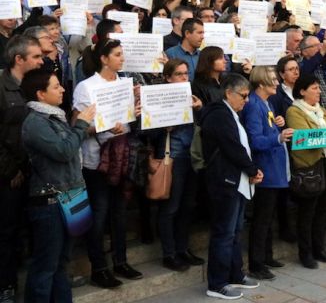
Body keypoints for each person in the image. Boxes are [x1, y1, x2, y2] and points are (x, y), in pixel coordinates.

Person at [72, 38, 142, 289]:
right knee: (100, 214)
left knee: (120, 212)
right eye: (117, 55)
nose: (122, 59)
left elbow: (130, 118)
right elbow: (79, 125)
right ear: (103, 58)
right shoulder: (86, 87)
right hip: (97, 159)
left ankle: (120, 261)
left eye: (122, 54)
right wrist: (102, 127)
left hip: (122, 155)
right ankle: (99, 267)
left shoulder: (125, 83)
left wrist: (136, 110)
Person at [20, 69, 95, 302]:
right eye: (56, 87)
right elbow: (63, 151)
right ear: (40, 94)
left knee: (62, 262)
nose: (63, 89)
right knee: (46, 266)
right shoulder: (35, 122)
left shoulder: (55, 117)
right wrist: (81, 125)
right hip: (50, 202)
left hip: (71, 195)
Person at [200, 73, 263, 299]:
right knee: (224, 233)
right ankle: (217, 283)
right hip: (224, 181)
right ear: (229, 93)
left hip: (236, 180)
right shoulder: (219, 114)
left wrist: (250, 170)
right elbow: (232, 147)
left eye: (247, 96)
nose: (246, 101)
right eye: (243, 96)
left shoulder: (230, 113)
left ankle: (235, 273)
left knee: (235, 231)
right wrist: (252, 169)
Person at [143, 60, 205, 272]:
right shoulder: (158, 96)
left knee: (188, 206)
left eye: (186, 73)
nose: (183, 78)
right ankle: (169, 253)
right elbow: (147, 133)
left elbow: (205, 124)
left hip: (191, 156)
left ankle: (183, 248)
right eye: (178, 74)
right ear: (168, 77)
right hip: (171, 158)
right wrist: (163, 127)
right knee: (170, 208)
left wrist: (199, 109)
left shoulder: (191, 96)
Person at [0, 36, 43, 301]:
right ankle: (6, 285)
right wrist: (10, 170)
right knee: (7, 230)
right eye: (36, 57)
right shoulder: (1, 87)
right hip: (9, 176)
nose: (42, 60)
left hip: (36, 170)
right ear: (19, 59)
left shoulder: (35, 86)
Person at [241, 67, 294, 280]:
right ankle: (256, 263)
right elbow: (255, 140)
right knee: (262, 218)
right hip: (265, 168)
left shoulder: (267, 102)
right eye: (272, 80)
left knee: (268, 216)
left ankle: (267, 256)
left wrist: (277, 126)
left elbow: (267, 129)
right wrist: (278, 138)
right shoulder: (254, 105)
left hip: (274, 167)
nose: (277, 83)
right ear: (261, 84)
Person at [286, 75, 326, 269]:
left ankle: (319, 248)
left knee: (322, 208)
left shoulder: (320, 110)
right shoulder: (295, 111)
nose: (319, 91)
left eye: (319, 88)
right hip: (309, 165)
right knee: (307, 211)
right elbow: (308, 138)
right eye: (314, 88)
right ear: (302, 91)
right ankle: (305, 252)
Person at [267, 55, 299, 243]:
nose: (295, 72)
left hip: (301, 143)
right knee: (284, 190)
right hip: (285, 142)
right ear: (281, 74)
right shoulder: (278, 94)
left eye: (297, 68)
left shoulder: (301, 89)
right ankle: (285, 227)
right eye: (290, 69)